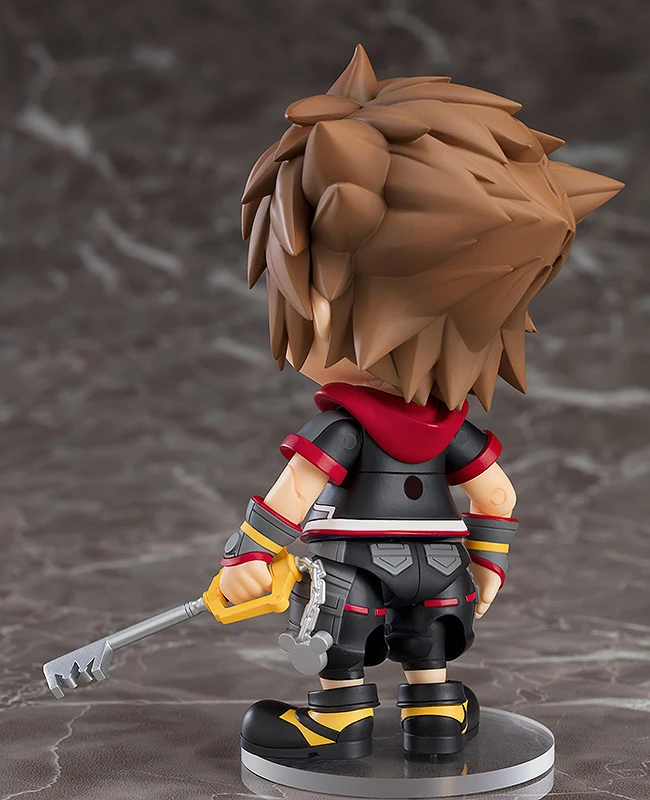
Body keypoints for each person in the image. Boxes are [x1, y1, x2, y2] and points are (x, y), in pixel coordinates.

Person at [217, 45, 623, 758]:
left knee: (341, 645)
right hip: (441, 565)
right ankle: (435, 717)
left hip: (353, 569)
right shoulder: (452, 429)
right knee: (426, 645)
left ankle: (339, 722)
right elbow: (496, 494)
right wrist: (488, 566)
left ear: (322, 303)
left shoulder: (343, 431)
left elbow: (294, 492)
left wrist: (246, 556)